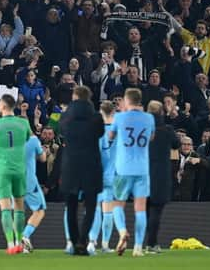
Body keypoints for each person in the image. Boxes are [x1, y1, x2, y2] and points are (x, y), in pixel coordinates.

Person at [109, 88, 155, 257]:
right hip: (142, 168)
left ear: (127, 101)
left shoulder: (120, 117)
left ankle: (122, 232)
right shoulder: (149, 118)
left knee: (117, 204)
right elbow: (151, 137)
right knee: (140, 208)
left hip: (123, 168)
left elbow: (111, 136)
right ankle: (138, 247)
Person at [0, 94, 30, 255]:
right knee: (19, 207)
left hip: (2, 169)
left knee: (5, 208)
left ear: (2, 107)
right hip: (19, 169)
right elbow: (28, 137)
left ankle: (10, 244)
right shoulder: (23, 123)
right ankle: (19, 242)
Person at [59, 86, 104, 256]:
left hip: (71, 164)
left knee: (71, 205)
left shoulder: (66, 118)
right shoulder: (96, 118)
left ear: (75, 97)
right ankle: (83, 240)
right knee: (91, 205)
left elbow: (62, 132)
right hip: (91, 164)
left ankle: (74, 238)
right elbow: (100, 134)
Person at [145, 101, 179, 253]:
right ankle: (152, 244)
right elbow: (176, 144)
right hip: (161, 175)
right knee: (156, 211)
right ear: (161, 112)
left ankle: (142, 242)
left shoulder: (143, 130)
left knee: (143, 210)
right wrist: (170, 119)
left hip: (143, 173)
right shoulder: (167, 129)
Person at [87, 100, 116, 255]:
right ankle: (105, 245)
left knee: (95, 208)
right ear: (113, 112)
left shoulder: (96, 131)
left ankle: (92, 242)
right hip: (112, 175)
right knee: (108, 210)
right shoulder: (119, 132)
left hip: (96, 173)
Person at [20, 124, 47, 253]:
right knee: (39, 211)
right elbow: (43, 158)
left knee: (18, 213)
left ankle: (18, 244)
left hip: (14, 181)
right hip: (29, 181)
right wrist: (42, 152)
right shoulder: (33, 140)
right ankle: (25, 236)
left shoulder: (10, 142)